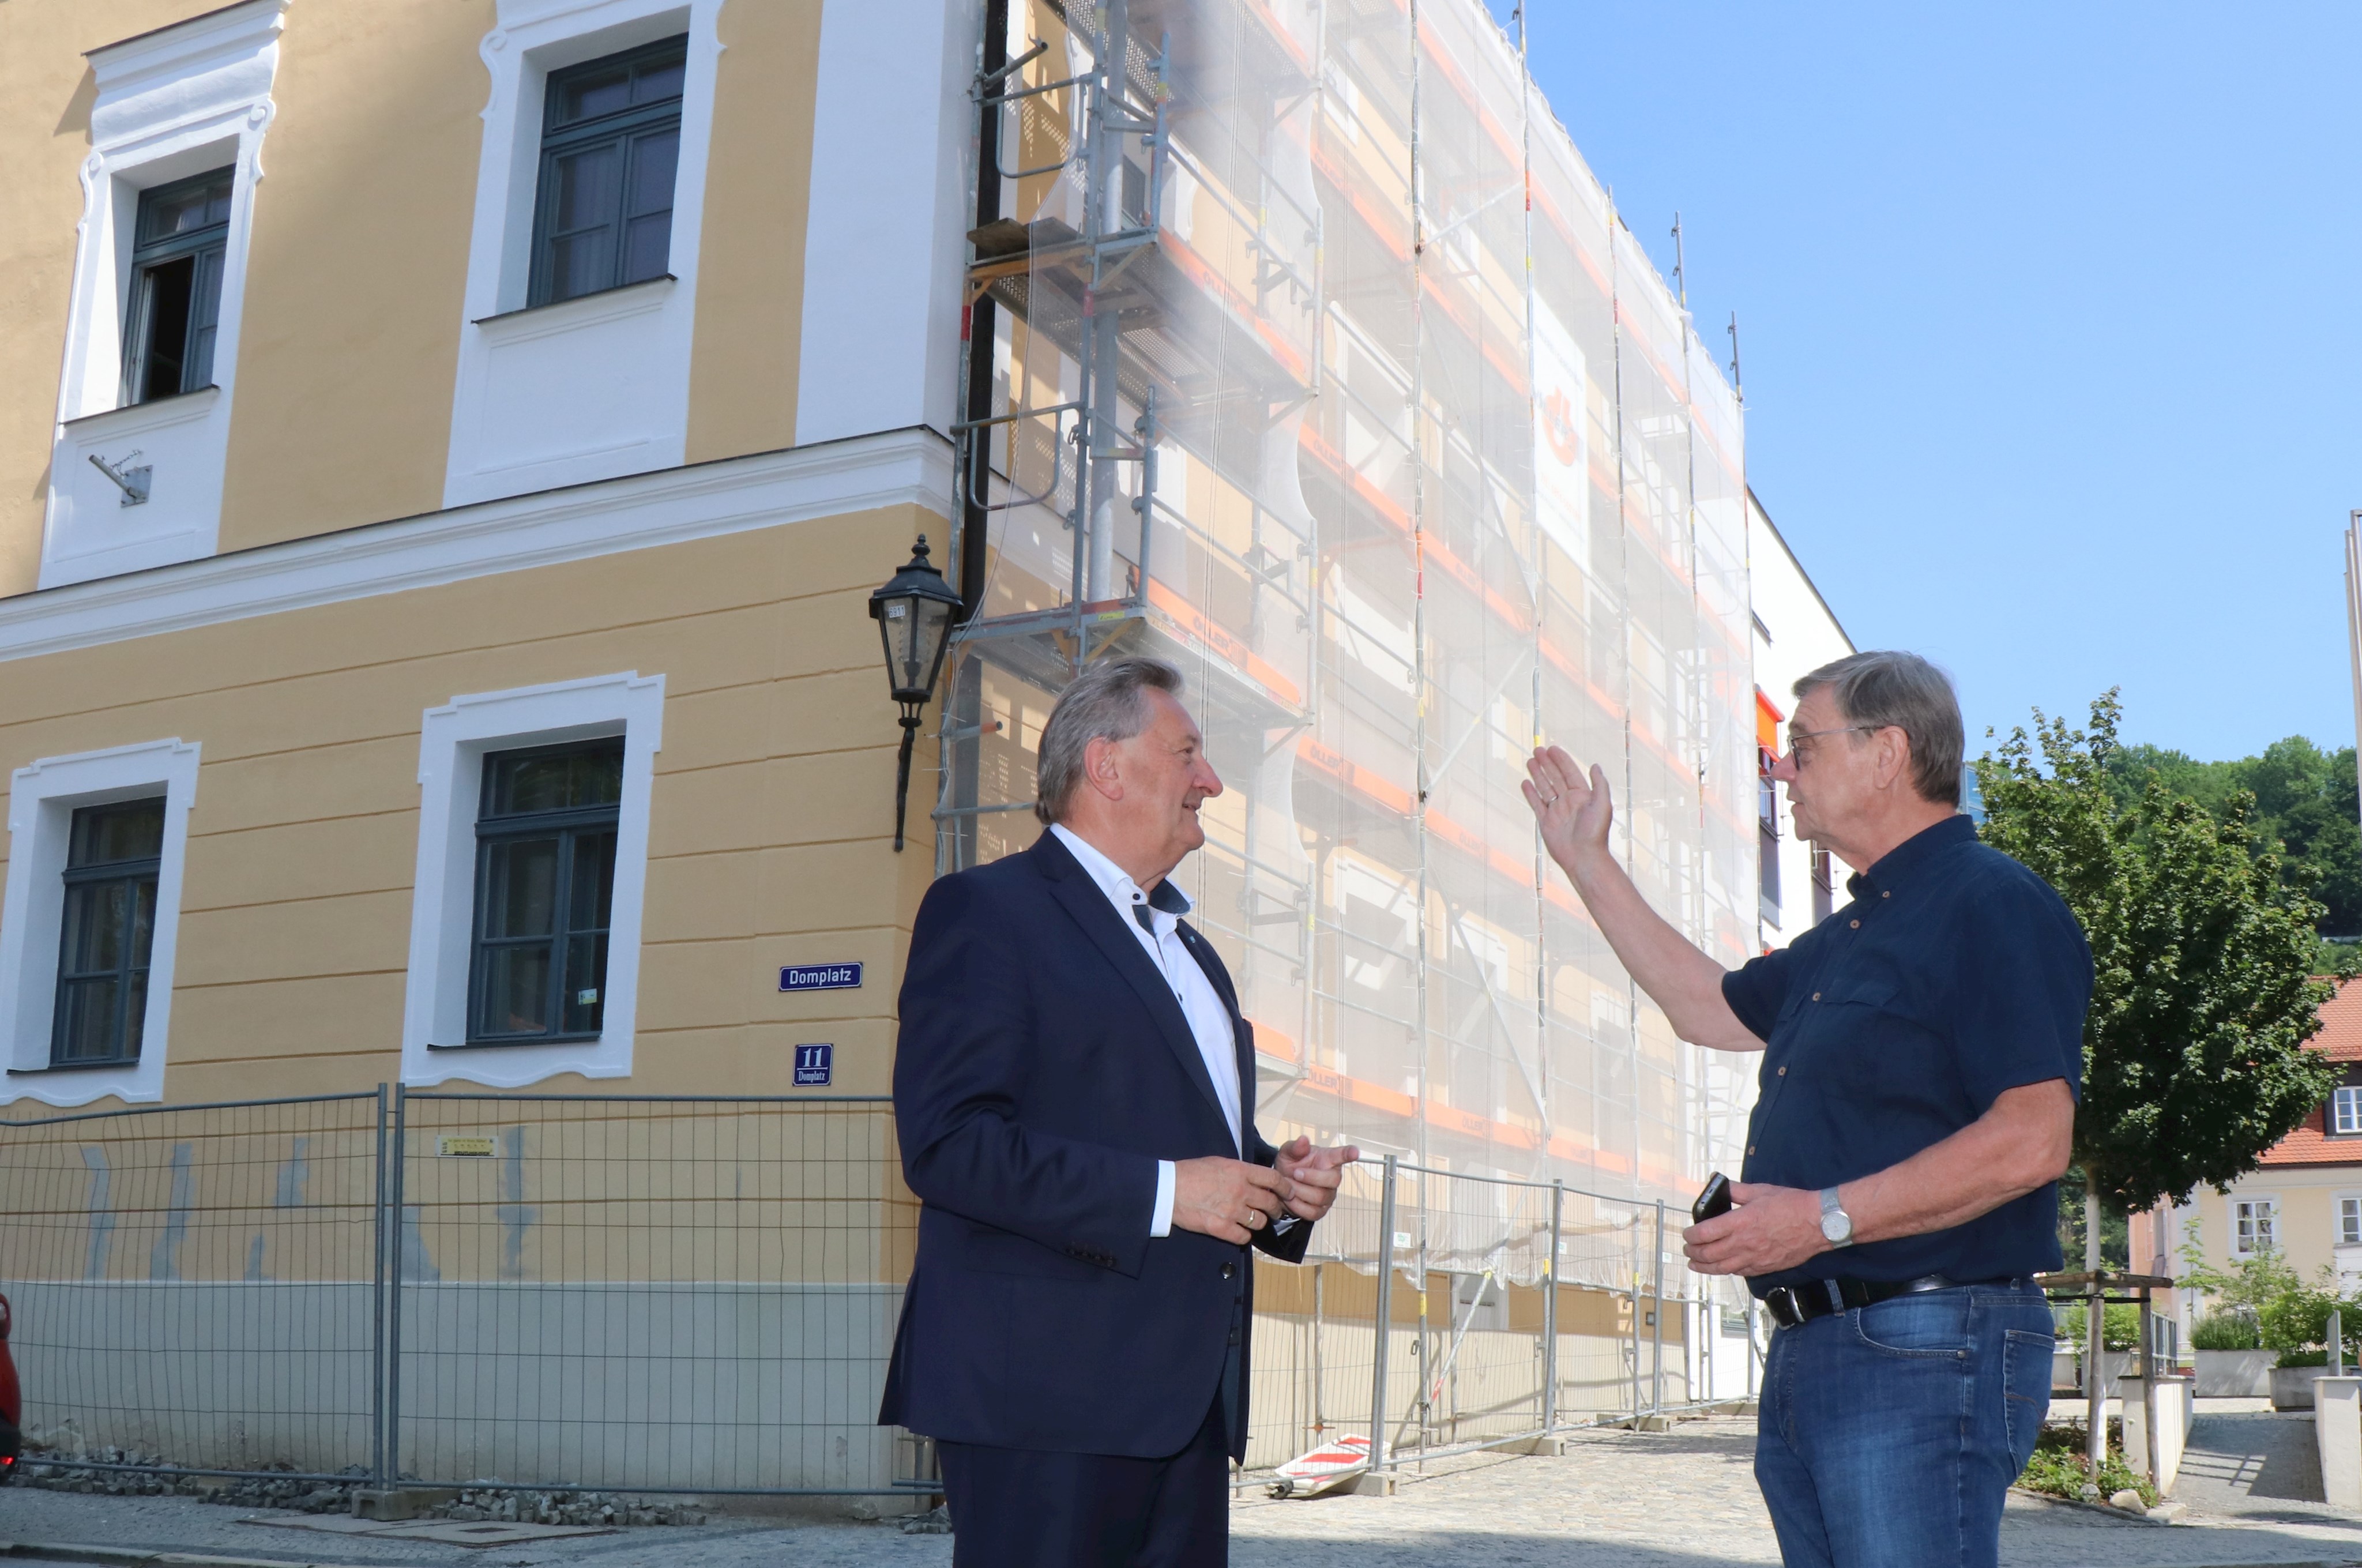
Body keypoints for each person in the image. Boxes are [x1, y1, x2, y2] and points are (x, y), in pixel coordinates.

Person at [1524, 650, 2090, 1568]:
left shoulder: (1993, 905)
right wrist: (1588, 862)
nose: (1780, 770)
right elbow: (1705, 1007)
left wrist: (1819, 1220)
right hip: (1824, 1346)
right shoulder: (1848, 935)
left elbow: (2032, 1141)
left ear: (1886, 753)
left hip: (1924, 1342)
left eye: (1802, 747)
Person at [881, 656, 1359, 1567]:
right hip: (1044, 1400)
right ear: (1106, 767)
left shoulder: (1195, 955)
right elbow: (948, 1144)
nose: (1211, 781)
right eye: (1187, 754)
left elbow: (1184, 1148)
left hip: (1185, 1403)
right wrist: (1168, 1192)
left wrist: (1276, 1183)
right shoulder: (985, 911)